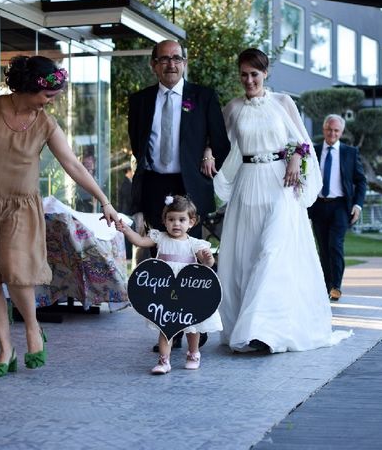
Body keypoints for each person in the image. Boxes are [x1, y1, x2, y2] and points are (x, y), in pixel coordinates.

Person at [0, 55, 119, 377]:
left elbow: (72, 165)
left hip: (21, 206)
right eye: (48, 95)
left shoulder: (46, 123)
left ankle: (32, 327)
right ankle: (5, 348)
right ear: (29, 88)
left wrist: (105, 201)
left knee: (17, 270)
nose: (51, 102)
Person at [214, 48, 352, 354]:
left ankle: (267, 331)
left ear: (266, 74)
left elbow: (301, 141)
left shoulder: (283, 102)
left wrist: (294, 161)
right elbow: (218, 142)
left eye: (254, 74)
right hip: (248, 185)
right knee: (245, 256)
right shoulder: (233, 108)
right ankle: (246, 327)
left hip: (280, 184)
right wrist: (209, 154)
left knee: (273, 253)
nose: (249, 80)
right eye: (244, 75)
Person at [128, 39, 230, 351]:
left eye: (176, 58)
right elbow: (137, 143)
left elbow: (221, 141)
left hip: (190, 188)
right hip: (155, 185)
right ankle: (166, 326)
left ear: (184, 62)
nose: (171, 64)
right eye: (164, 59)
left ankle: (195, 325)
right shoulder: (141, 100)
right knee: (159, 257)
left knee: (193, 260)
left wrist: (210, 151)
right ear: (153, 64)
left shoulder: (204, 96)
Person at [116, 195, 221, 374]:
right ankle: (164, 361)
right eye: (171, 219)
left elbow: (206, 265)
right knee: (166, 326)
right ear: (164, 221)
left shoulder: (194, 243)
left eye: (182, 220)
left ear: (191, 222)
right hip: (165, 291)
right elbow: (140, 241)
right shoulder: (160, 238)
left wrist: (208, 259)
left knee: (192, 326)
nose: (176, 224)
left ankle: (193, 353)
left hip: (187, 291)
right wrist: (125, 230)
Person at [308, 114, 367, 302]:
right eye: (329, 129)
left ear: (341, 132)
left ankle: (336, 287)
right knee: (323, 249)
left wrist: (358, 205)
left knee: (335, 246)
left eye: (336, 130)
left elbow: (361, 181)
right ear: (323, 129)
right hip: (318, 206)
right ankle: (325, 287)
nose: (332, 133)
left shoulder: (350, 153)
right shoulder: (312, 151)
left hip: (341, 207)